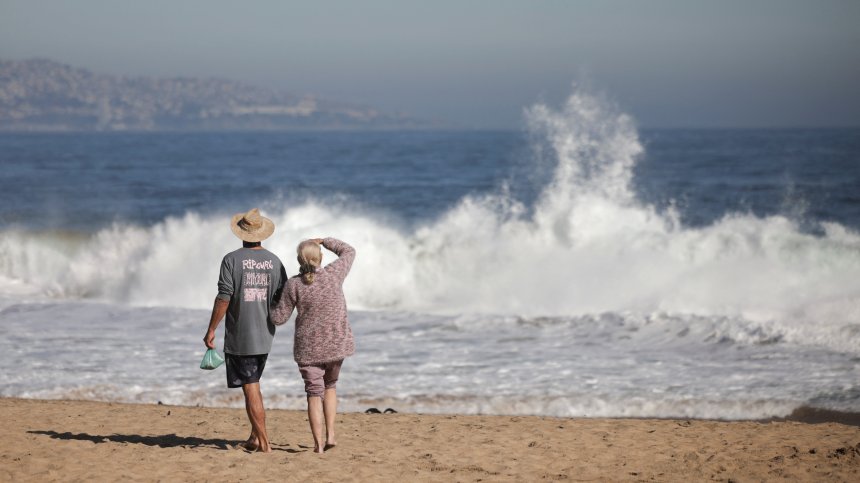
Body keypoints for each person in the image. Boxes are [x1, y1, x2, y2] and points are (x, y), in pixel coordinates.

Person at [203, 208, 286, 453]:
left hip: (241, 335)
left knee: (251, 388)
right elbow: (283, 298)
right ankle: (254, 437)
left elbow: (223, 297)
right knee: (254, 383)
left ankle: (264, 443)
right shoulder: (275, 261)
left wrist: (211, 329)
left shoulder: (231, 260)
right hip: (265, 335)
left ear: (242, 233)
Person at [271, 237, 356, 454]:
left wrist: (268, 302)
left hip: (308, 350)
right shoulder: (334, 273)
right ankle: (331, 435)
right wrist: (325, 241)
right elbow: (349, 251)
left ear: (299, 261)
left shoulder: (294, 284)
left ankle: (318, 445)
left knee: (314, 392)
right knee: (330, 386)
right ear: (321, 258)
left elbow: (278, 318)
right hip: (336, 345)